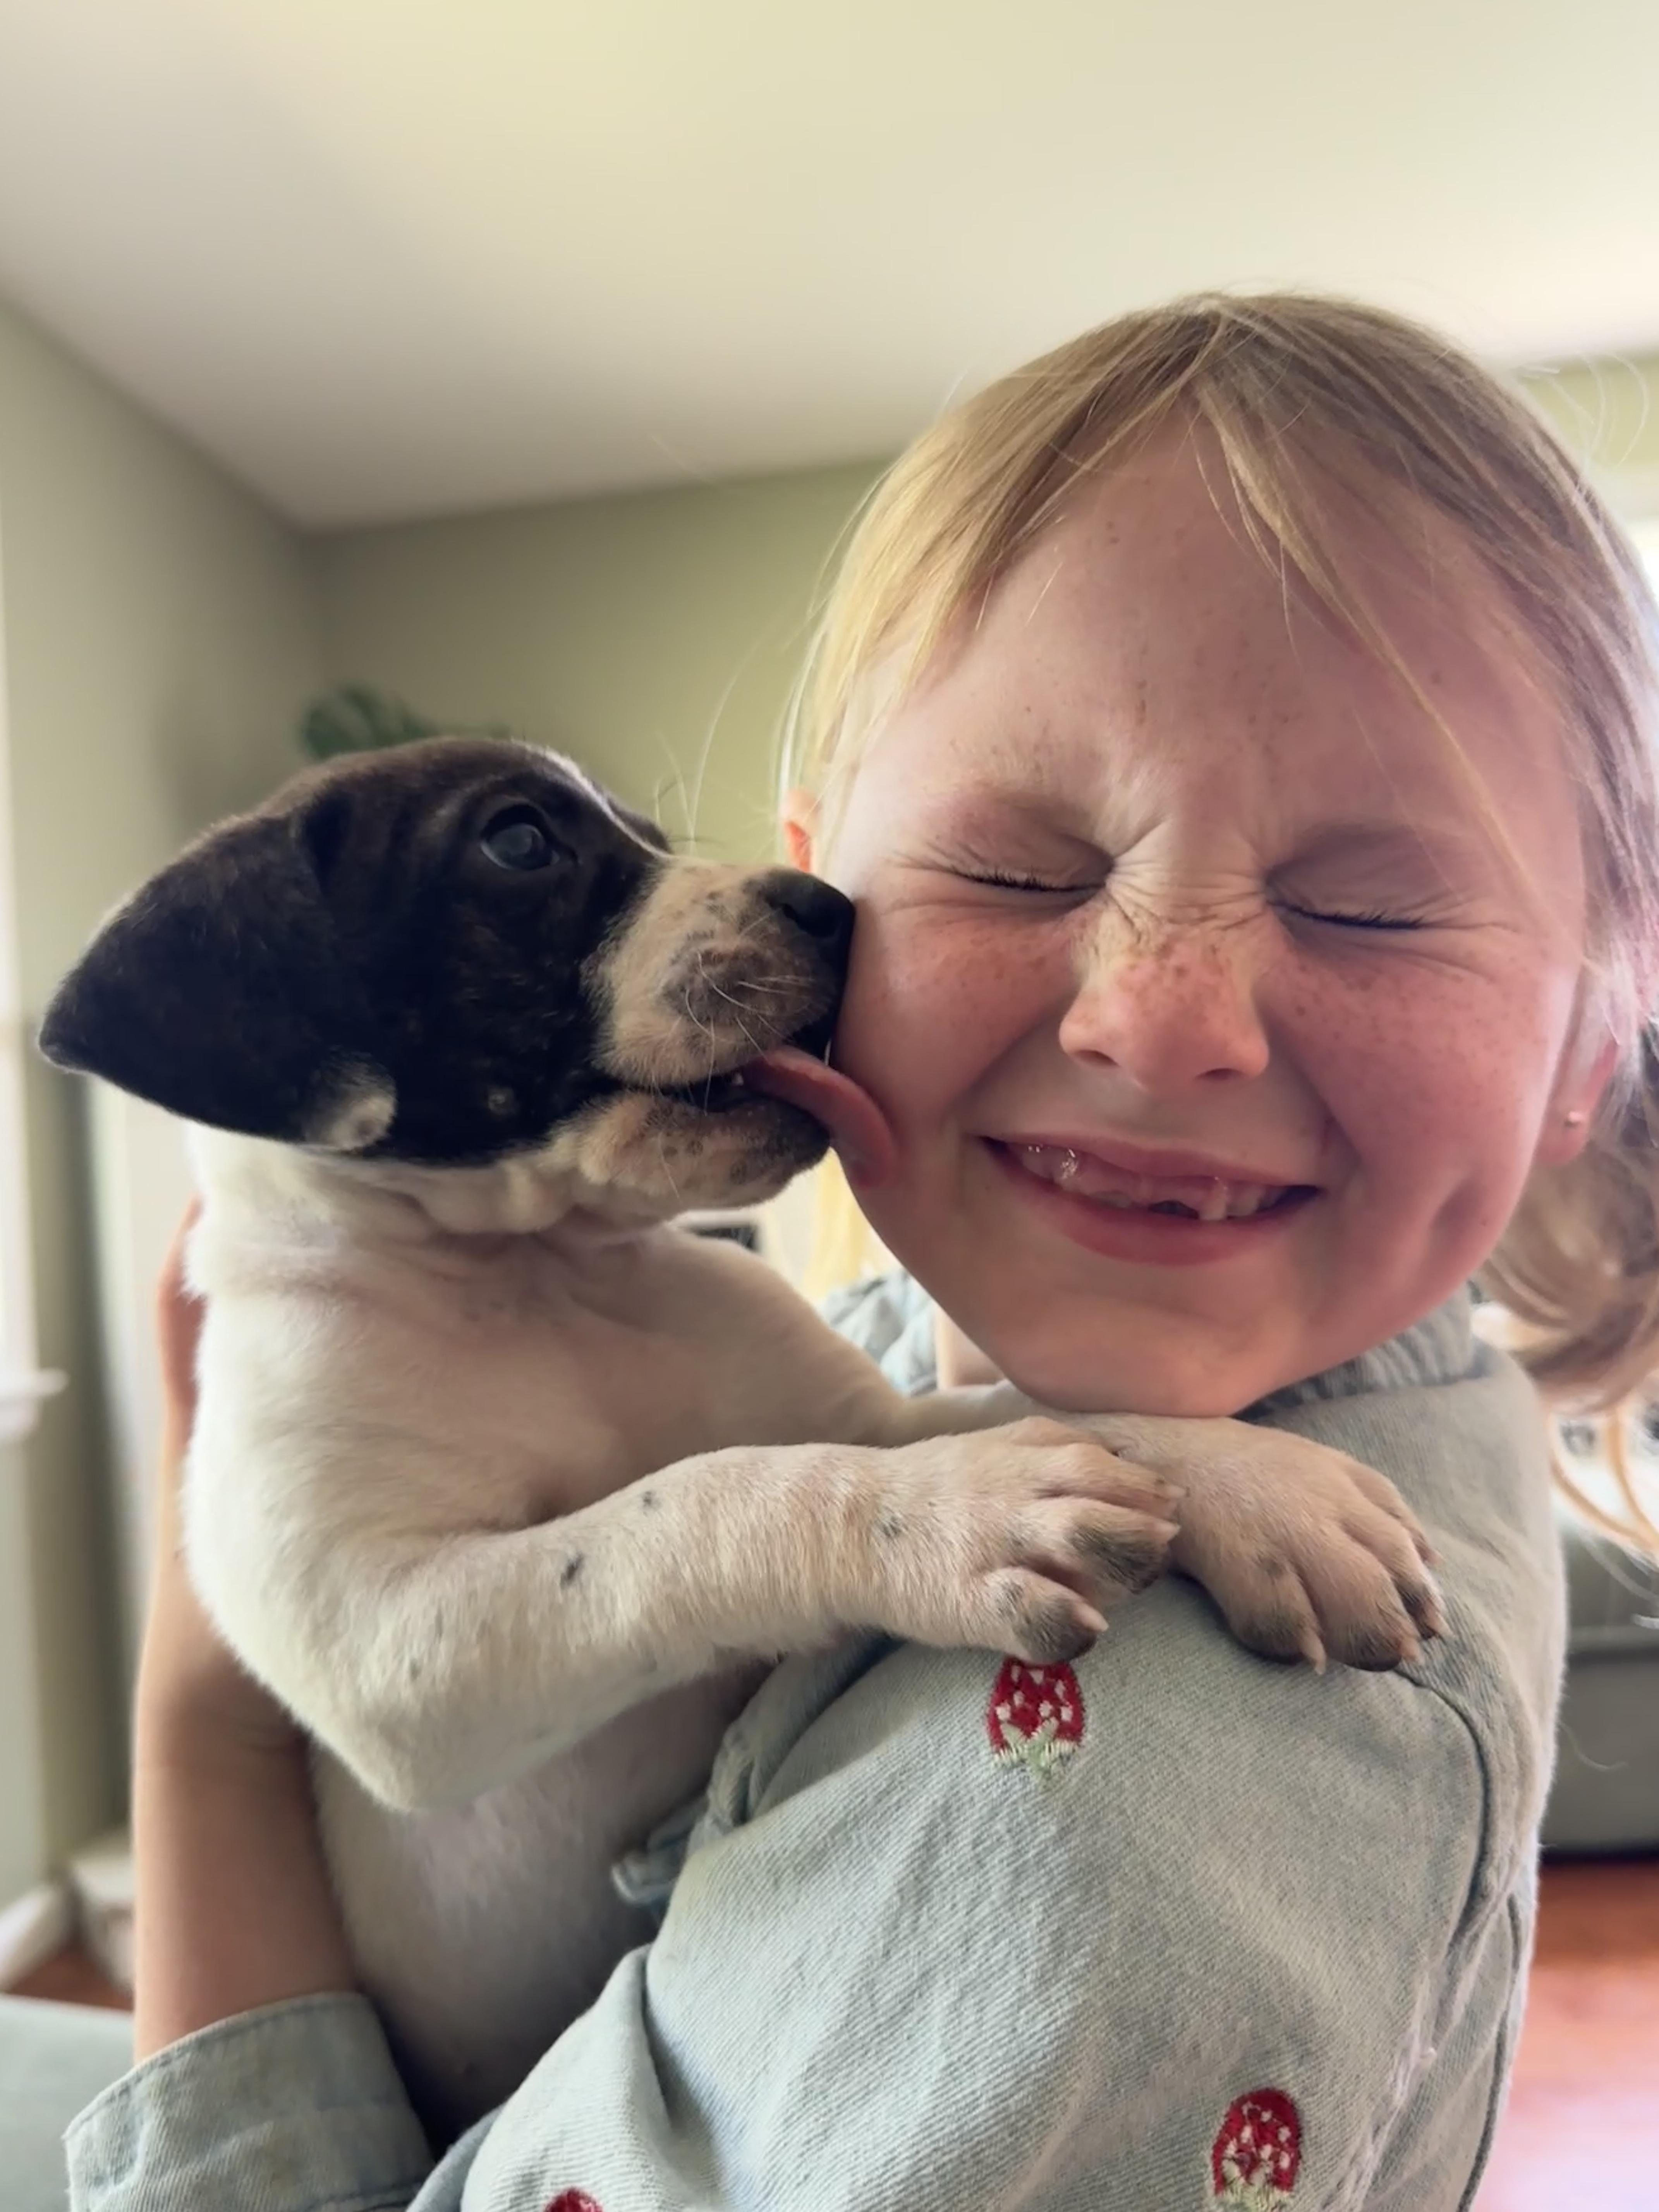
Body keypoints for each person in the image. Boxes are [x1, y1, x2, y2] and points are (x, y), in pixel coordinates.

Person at [67, 294, 1659, 2211]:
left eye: (1369, 905)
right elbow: (447, 1684)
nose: (1165, 1018)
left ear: (1600, 1042)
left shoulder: (1089, 1853)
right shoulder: (1128, 1343)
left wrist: (196, 1730)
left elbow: (912, 1493)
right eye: (1014, 872)